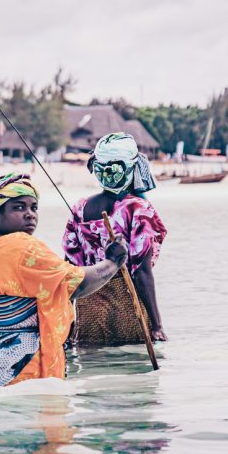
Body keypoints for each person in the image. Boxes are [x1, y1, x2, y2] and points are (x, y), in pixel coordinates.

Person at [0, 174, 128, 391]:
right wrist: (112, 262)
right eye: (19, 207)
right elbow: (76, 284)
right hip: (18, 367)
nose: (30, 215)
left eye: (34, 208)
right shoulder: (22, 247)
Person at [63, 133, 168, 342]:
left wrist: (67, 324)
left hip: (89, 309)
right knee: (133, 369)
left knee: (95, 367)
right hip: (128, 308)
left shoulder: (80, 208)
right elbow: (142, 273)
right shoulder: (139, 209)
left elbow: (70, 272)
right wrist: (157, 326)